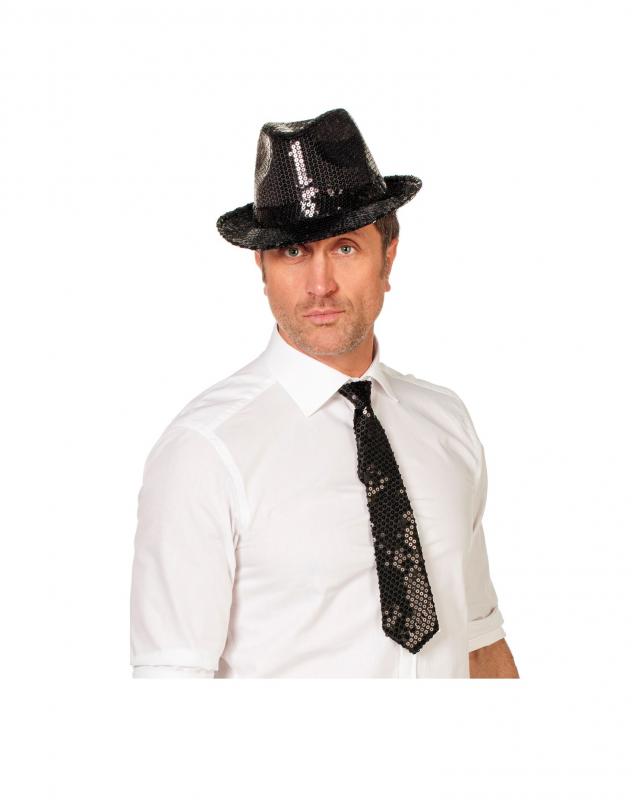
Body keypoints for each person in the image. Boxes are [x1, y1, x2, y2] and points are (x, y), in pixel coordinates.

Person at [129, 107, 519, 679]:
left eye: (344, 248)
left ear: (388, 256)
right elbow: (171, 683)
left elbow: (479, 641)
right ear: (262, 267)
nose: (320, 285)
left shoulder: (445, 422)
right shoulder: (205, 451)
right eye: (293, 252)